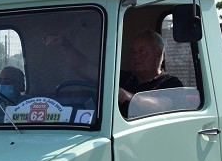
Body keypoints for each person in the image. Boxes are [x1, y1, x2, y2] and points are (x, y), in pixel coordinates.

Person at [45, 30, 182, 115]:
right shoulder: (124, 78)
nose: (136, 56)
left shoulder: (171, 83)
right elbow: (85, 68)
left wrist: (126, 95)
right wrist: (65, 45)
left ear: (158, 54)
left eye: (142, 51)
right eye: (133, 52)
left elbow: (163, 105)